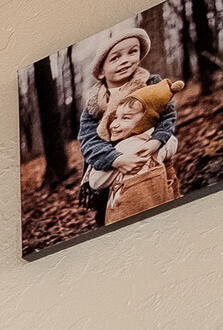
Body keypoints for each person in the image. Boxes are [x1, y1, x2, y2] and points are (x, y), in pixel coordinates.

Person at [78, 26, 179, 226]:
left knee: (159, 201)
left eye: (132, 52)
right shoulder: (94, 104)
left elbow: (168, 115)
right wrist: (116, 159)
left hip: (148, 154)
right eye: (115, 58)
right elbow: (88, 141)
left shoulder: (150, 84)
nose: (125, 60)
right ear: (100, 72)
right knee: (114, 213)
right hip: (113, 166)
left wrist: (156, 141)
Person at [96, 92, 182, 222]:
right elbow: (172, 143)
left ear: (145, 121)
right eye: (115, 117)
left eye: (125, 118)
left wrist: (114, 162)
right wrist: (157, 142)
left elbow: (96, 182)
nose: (114, 124)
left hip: (127, 215)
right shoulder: (164, 141)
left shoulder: (124, 147)